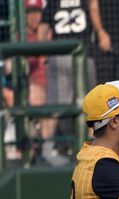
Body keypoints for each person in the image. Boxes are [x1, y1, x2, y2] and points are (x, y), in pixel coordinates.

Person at [38, 0, 96, 167]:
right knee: (88, 105)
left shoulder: (54, 2)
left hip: (60, 54)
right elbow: (95, 15)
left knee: (56, 105)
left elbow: (43, 27)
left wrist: (43, 51)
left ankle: (47, 147)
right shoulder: (86, 1)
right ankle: (92, 148)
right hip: (83, 55)